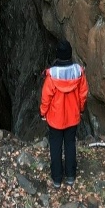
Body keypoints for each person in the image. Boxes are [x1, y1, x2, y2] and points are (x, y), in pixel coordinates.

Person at [40, 39, 88, 188]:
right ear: (70, 54)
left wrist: (43, 112)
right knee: (70, 145)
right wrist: (80, 109)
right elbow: (83, 94)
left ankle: (56, 179)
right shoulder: (78, 73)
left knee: (55, 146)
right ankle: (70, 177)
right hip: (72, 118)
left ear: (57, 55)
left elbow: (46, 97)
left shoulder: (52, 76)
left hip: (55, 119)